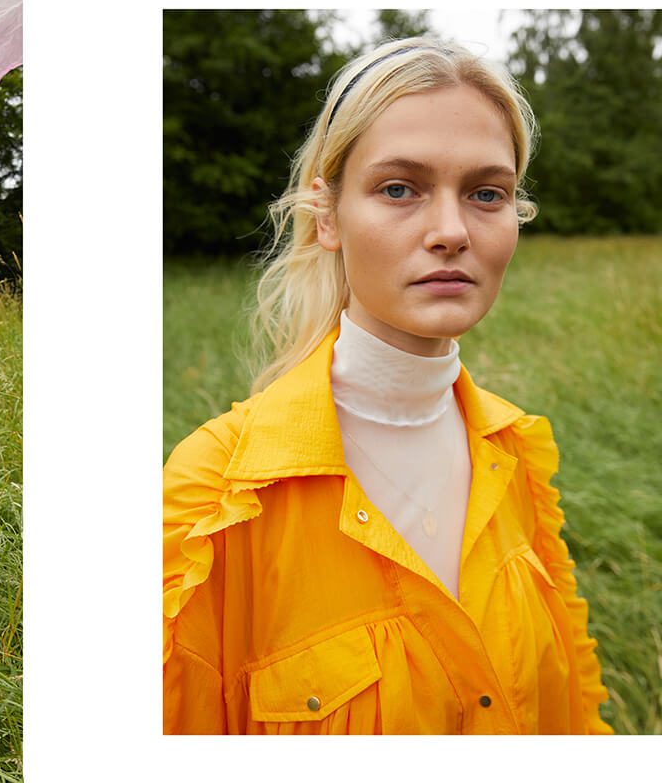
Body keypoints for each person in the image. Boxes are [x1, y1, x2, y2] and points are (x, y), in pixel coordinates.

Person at [162, 37, 611, 734]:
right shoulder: (212, 499)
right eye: (399, 188)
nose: (451, 231)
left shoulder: (518, 453)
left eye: (486, 193)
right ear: (329, 216)